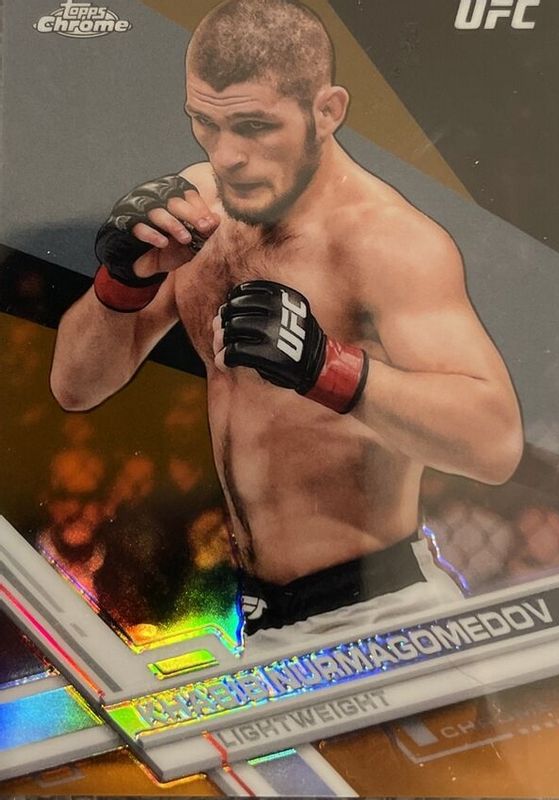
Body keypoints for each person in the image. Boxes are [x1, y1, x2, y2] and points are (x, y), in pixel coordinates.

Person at [50, 0, 523, 654]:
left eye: (254, 126)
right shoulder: (197, 209)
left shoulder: (386, 242)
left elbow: (495, 444)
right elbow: (75, 387)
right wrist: (120, 285)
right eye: (205, 123)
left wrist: (326, 368)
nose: (227, 155)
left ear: (326, 111)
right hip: (263, 619)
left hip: (384, 611)